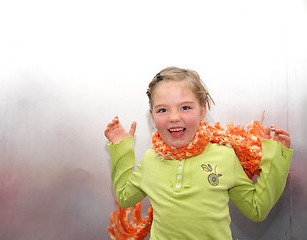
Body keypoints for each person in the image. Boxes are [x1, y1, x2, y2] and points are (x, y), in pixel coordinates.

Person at [104, 66, 293, 240]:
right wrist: (121, 148)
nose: (174, 117)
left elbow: (256, 209)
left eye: (185, 107)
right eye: (162, 110)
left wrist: (276, 157)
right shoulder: (150, 160)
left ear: (202, 111)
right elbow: (124, 197)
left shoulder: (224, 156)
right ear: (152, 115)